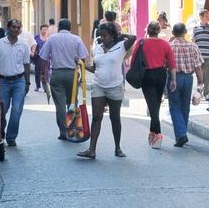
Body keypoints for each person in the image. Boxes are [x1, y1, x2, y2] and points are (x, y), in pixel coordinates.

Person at [77, 22, 135, 159]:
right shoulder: (97, 47)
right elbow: (96, 68)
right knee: (97, 117)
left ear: (113, 36)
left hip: (115, 87)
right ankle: (91, 150)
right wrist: (82, 65)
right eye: (101, 35)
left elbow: (133, 38)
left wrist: (121, 35)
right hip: (98, 86)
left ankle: (118, 148)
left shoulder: (121, 46)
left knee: (115, 118)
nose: (103, 38)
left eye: (106, 35)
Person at [128, 21, 176, 149]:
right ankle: (152, 132)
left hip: (147, 75)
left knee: (152, 105)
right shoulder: (165, 44)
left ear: (147, 31)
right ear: (159, 31)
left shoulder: (141, 42)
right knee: (155, 105)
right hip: (161, 74)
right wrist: (173, 80)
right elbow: (172, 64)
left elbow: (133, 61)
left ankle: (158, 133)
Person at [39, 19, 88, 140]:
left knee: (60, 105)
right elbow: (83, 58)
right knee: (72, 102)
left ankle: (63, 132)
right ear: (70, 27)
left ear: (59, 28)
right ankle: (73, 129)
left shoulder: (51, 39)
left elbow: (43, 58)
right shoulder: (76, 39)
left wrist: (42, 74)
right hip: (72, 74)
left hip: (57, 74)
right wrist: (82, 75)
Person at [0, 19, 31, 147]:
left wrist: (27, 83)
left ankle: (11, 137)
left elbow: (26, 65)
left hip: (19, 80)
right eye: (13, 27)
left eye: (18, 27)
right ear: (8, 27)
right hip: (3, 81)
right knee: (2, 110)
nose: (16, 29)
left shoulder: (23, 45)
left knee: (17, 110)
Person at [167, 23, 201, 148]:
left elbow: (166, 64)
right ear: (185, 31)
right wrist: (201, 83)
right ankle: (182, 133)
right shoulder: (193, 46)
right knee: (185, 106)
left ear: (173, 33)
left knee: (175, 106)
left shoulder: (169, 46)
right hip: (188, 78)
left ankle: (181, 135)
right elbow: (198, 67)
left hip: (174, 78)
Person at [191, 9, 209, 108]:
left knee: (208, 76)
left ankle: (206, 93)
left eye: (208, 16)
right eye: (206, 16)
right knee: (199, 76)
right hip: (199, 56)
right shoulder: (195, 28)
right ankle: (198, 94)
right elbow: (193, 42)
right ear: (201, 17)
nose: (208, 18)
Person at [32, 24, 51, 94]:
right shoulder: (37, 37)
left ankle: (45, 87)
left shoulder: (49, 38)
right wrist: (34, 51)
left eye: (46, 29)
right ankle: (37, 86)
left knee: (45, 72)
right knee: (37, 71)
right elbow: (33, 45)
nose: (45, 31)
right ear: (41, 30)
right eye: (43, 29)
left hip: (46, 58)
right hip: (38, 57)